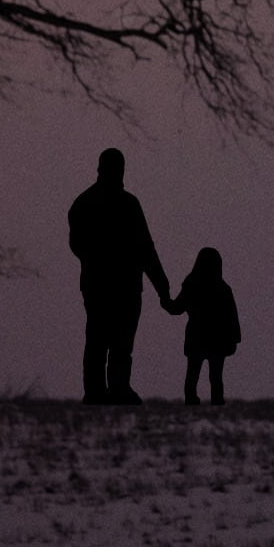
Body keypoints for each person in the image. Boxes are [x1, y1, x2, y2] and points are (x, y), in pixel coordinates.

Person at [65, 148, 162, 404]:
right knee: (113, 340)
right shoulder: (126, 204)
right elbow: (145, 249)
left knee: (105, 340)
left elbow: (78, 245)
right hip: (119, 286)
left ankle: (104, 390)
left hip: (104, 285)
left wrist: (162, 287)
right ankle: (110, 389)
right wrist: (162, 288)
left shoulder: (84, 203)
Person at [175, 246, 240, 404]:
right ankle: (216, 401)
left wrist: (165, 302)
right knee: (215, 375)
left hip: (196, 335)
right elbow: (232, 316)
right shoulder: (223, 288)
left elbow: (177, 308)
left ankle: (191, 400)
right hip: (217, 338)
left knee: (193, 372)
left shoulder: (191, 283)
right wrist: (234, 338)